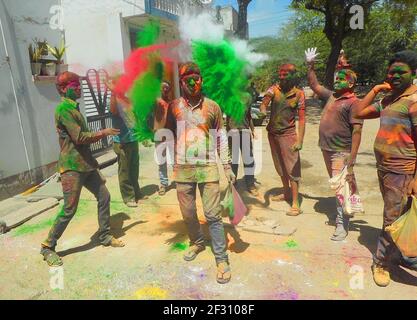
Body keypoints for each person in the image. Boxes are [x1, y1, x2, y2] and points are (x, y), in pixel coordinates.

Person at [40, 72, 124, 267]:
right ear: (63, 88)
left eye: (79, 84)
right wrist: (104, 132)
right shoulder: (64, 109)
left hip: (85, 164)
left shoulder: (74, 108)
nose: (78, 88)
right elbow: (79, 138)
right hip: (72, 167)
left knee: (104, 196)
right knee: (69, 209)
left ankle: (104, 235)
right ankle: (47, 247)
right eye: (74, 85)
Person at [165, 62, 236, 284]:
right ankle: (196, 242)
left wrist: (226, 166)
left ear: (202, 80)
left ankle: (221, 258)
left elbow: (220, 137)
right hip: (183, 170)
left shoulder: (213, 107)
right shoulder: (173, 106)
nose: (193, 83)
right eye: (188, 80)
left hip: (207, 168)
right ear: (181, 83)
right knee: (187, 213)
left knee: (213, 215)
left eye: (197, 78)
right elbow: (166, 133)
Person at [353, 50, 417, 287]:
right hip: (385, 169)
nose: (395, 75)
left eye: (401, 72)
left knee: (391, 218)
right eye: (392, 72)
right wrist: (376, 90)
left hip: (402, 171)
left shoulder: (414, 101)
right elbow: (358, 112)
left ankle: (380, 263)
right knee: (397, 215)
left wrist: (415, 178)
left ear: (414, 73)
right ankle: (400, 253)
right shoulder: (389, 99)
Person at [305, 47, 363, 240]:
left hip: (341, 151)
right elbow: (314, 85)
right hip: (327, 148)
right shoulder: (332, 96)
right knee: (338, 185)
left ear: (352, 83)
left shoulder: (354, 102)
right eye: (337, 78)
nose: (337, 80)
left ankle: (342, 224)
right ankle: (347, 210)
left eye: (342, 78)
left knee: (340, 187)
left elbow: (357, 131)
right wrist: (310, 65)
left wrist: (352, 159)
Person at [260, 63, 306, 216]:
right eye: (280, 75)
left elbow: (302, 119)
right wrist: (262, 110)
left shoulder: (299, 94)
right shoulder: (274, 89)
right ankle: (286, 192)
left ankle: (295, 202)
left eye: (285, 75)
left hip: (288, 135)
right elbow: (264, 102)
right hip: (273, 134)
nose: (281, 78)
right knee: (279, 165)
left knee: (292, 168)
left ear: (293, 76)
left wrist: (299, 141)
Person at [108, 77, 145, 208]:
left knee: (134, 169)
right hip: (121, 141)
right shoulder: (114, 100)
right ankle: (128, 197)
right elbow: (113, 110)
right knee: (124, 171)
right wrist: (113, 93)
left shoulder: (128, 100)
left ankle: (137, 193)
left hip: (133, 139)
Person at [227, 91, 258, 196]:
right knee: (233, 160)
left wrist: (253, 130)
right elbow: (226, 116)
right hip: (233, 132)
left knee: (248, 159)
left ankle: (250, 184)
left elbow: (249, 116)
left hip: (245, 131)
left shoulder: (247, 97)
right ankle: (233, 183)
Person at [153, 81, 172, 196]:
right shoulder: (155, 102)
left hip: (171, 134)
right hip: (159, 135)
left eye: (166, 87)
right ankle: (164, 184)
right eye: (162, 87)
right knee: (161, 161)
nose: (164, 89)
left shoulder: (172, 103)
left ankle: (180, 181)